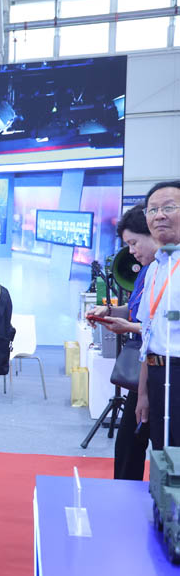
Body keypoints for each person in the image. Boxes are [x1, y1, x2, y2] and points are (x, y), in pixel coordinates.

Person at [88, 204, 157, 480]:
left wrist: (128, 327)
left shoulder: (167, 271)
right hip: (144, 370)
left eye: (134, 243)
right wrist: (109, 312)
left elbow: (160, 329)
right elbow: (136, 310)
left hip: (162, 372)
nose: (131, 251)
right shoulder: (147, 271)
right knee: (128, 444)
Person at [136, 180, 180, 450]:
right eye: (152, 210)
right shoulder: (155, 269)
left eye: (169, 207)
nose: (159, 215)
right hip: (156, 374)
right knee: (164, 457)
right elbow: (148, 333)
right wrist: (142, 393)